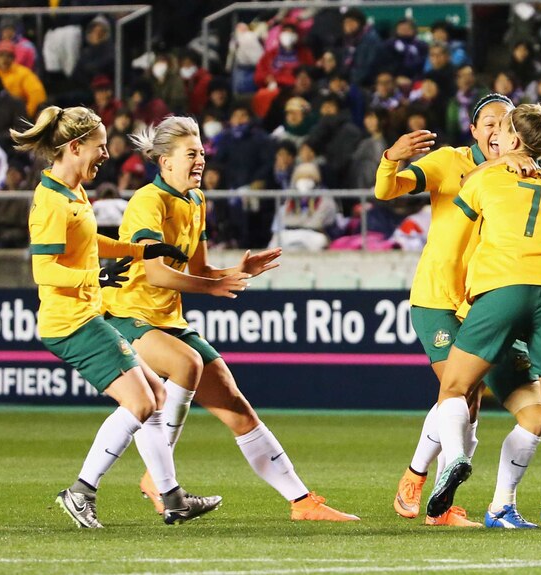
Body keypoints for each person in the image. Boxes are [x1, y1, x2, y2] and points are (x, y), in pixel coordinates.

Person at [102, 116, 359, 522]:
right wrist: (211, 288)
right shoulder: (148, 202)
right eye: (191, 154)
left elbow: (200, 269)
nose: (200, 160)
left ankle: (302, 502)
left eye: (202, 152)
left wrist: (235, 274)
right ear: (165, 162)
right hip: (127, 314)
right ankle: (157, 477)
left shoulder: (197, 201)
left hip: (166, 318)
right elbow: (155, 273)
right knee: (186, 364)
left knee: (237, 406)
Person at [375, 94, 541, 528]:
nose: (498, 130)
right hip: (442, 298)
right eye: (490, 123)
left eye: (506, 122)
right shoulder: (451, 162)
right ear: (477, 132)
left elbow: (535, 249)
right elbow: (386, 190)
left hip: (493, 300)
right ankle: (424, 480)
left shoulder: (533, 176)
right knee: (464, 392)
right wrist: (391, 158)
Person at [11, 105, 219, 528]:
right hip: (71, 323)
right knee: (142, 401)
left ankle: (173, 498)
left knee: (156, 397)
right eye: (100, 147)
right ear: (74, 147)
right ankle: (80, 491)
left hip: (87, 314)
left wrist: (142, 251)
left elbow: (92, 243)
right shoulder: (51, 200)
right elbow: (43, 269)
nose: (107, 154)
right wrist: (97, 273)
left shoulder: (72, 191)